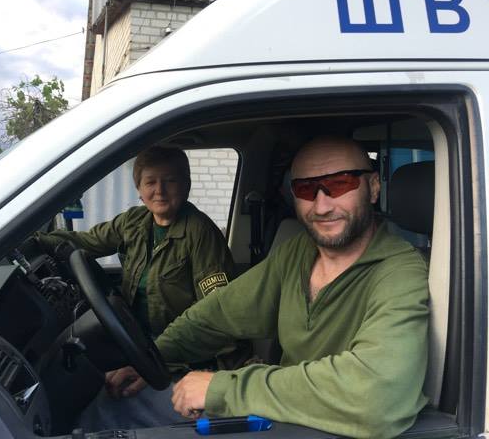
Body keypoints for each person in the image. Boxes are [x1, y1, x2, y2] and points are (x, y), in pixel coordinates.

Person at [155, 136, 430, 439]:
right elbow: (217, 315)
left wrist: (224, 387)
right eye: (306, 189)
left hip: (338, 431)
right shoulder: (298, 251)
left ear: (374, 187)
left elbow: (377, 396)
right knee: (136, 405)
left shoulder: (400, 271)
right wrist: (156, 358)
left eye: (340, 184)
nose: (322, 206)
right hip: (281, 420)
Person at [36, 145, 246, 428]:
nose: (160, 191)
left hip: (186, 358)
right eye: (150, 182)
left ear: (185, 186)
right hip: (140, 342)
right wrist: (33, 240)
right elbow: (84, 243)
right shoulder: (134, 222)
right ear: (139, 188)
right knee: (83, 376)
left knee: (105, 409)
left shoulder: (201, 234)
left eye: (170, 180)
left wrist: (160, 361)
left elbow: (216, 317)